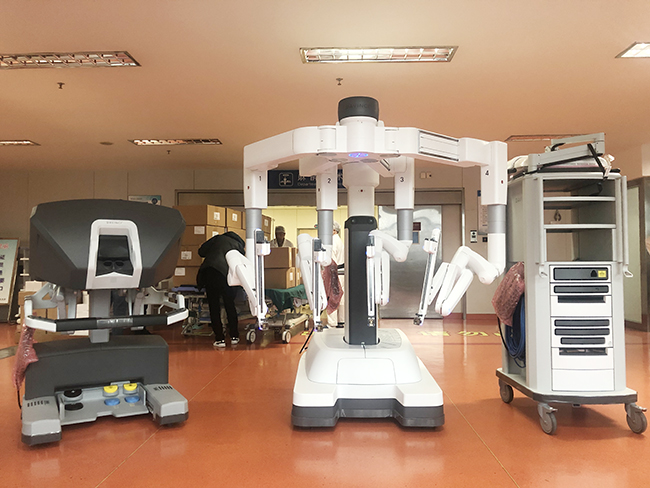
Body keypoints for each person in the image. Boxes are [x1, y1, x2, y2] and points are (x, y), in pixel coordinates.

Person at [197, 231, 245, 348]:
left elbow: (201, 252)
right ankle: (234, 336)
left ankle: (219, 339)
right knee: (230, 305)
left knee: (214, 307)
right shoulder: (238, 245)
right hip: (227, 276)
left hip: (210, 272)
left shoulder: (217, 238)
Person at [325, 221, 345, 328]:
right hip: (342, 272)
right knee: (341, 297)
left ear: (334, 230)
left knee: (332, 297)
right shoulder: (339, 241)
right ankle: (342, 320)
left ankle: (332, 323)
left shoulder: (332, 241)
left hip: (335, 272)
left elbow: (331, 260)